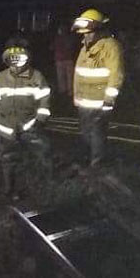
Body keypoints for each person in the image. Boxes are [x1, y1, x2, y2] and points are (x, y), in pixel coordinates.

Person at [0, 39, 52, 199]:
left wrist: (41, 119)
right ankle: (10, 189)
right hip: (6, 130)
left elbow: (45, 99)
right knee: (8, 160)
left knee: (41, 154)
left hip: (30, 127)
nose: (16, 62)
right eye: (12, 58)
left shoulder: (36, 77)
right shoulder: (0, 78)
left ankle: (44, 187)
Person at [71, 9, 125, 167]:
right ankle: (90, 158)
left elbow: (116, 74)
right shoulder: (85, 47)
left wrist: (109, 98)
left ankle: (97, 163)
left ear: (100, 30)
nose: (85, 36)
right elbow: (78, 73)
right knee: (86, 132)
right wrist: (76, 95)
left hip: (101, 101)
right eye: (83, 33)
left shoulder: (111, 47)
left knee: (97, 133)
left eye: (89, 32)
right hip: (85, 101)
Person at [52, 24, 77, 98]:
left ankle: (63, 92)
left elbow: (52, 47)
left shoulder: (58, 38)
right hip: (67, 59)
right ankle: (69, 92)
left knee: (61, 77)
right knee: (69, 77)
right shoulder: (69, 38)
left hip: (60, 60)